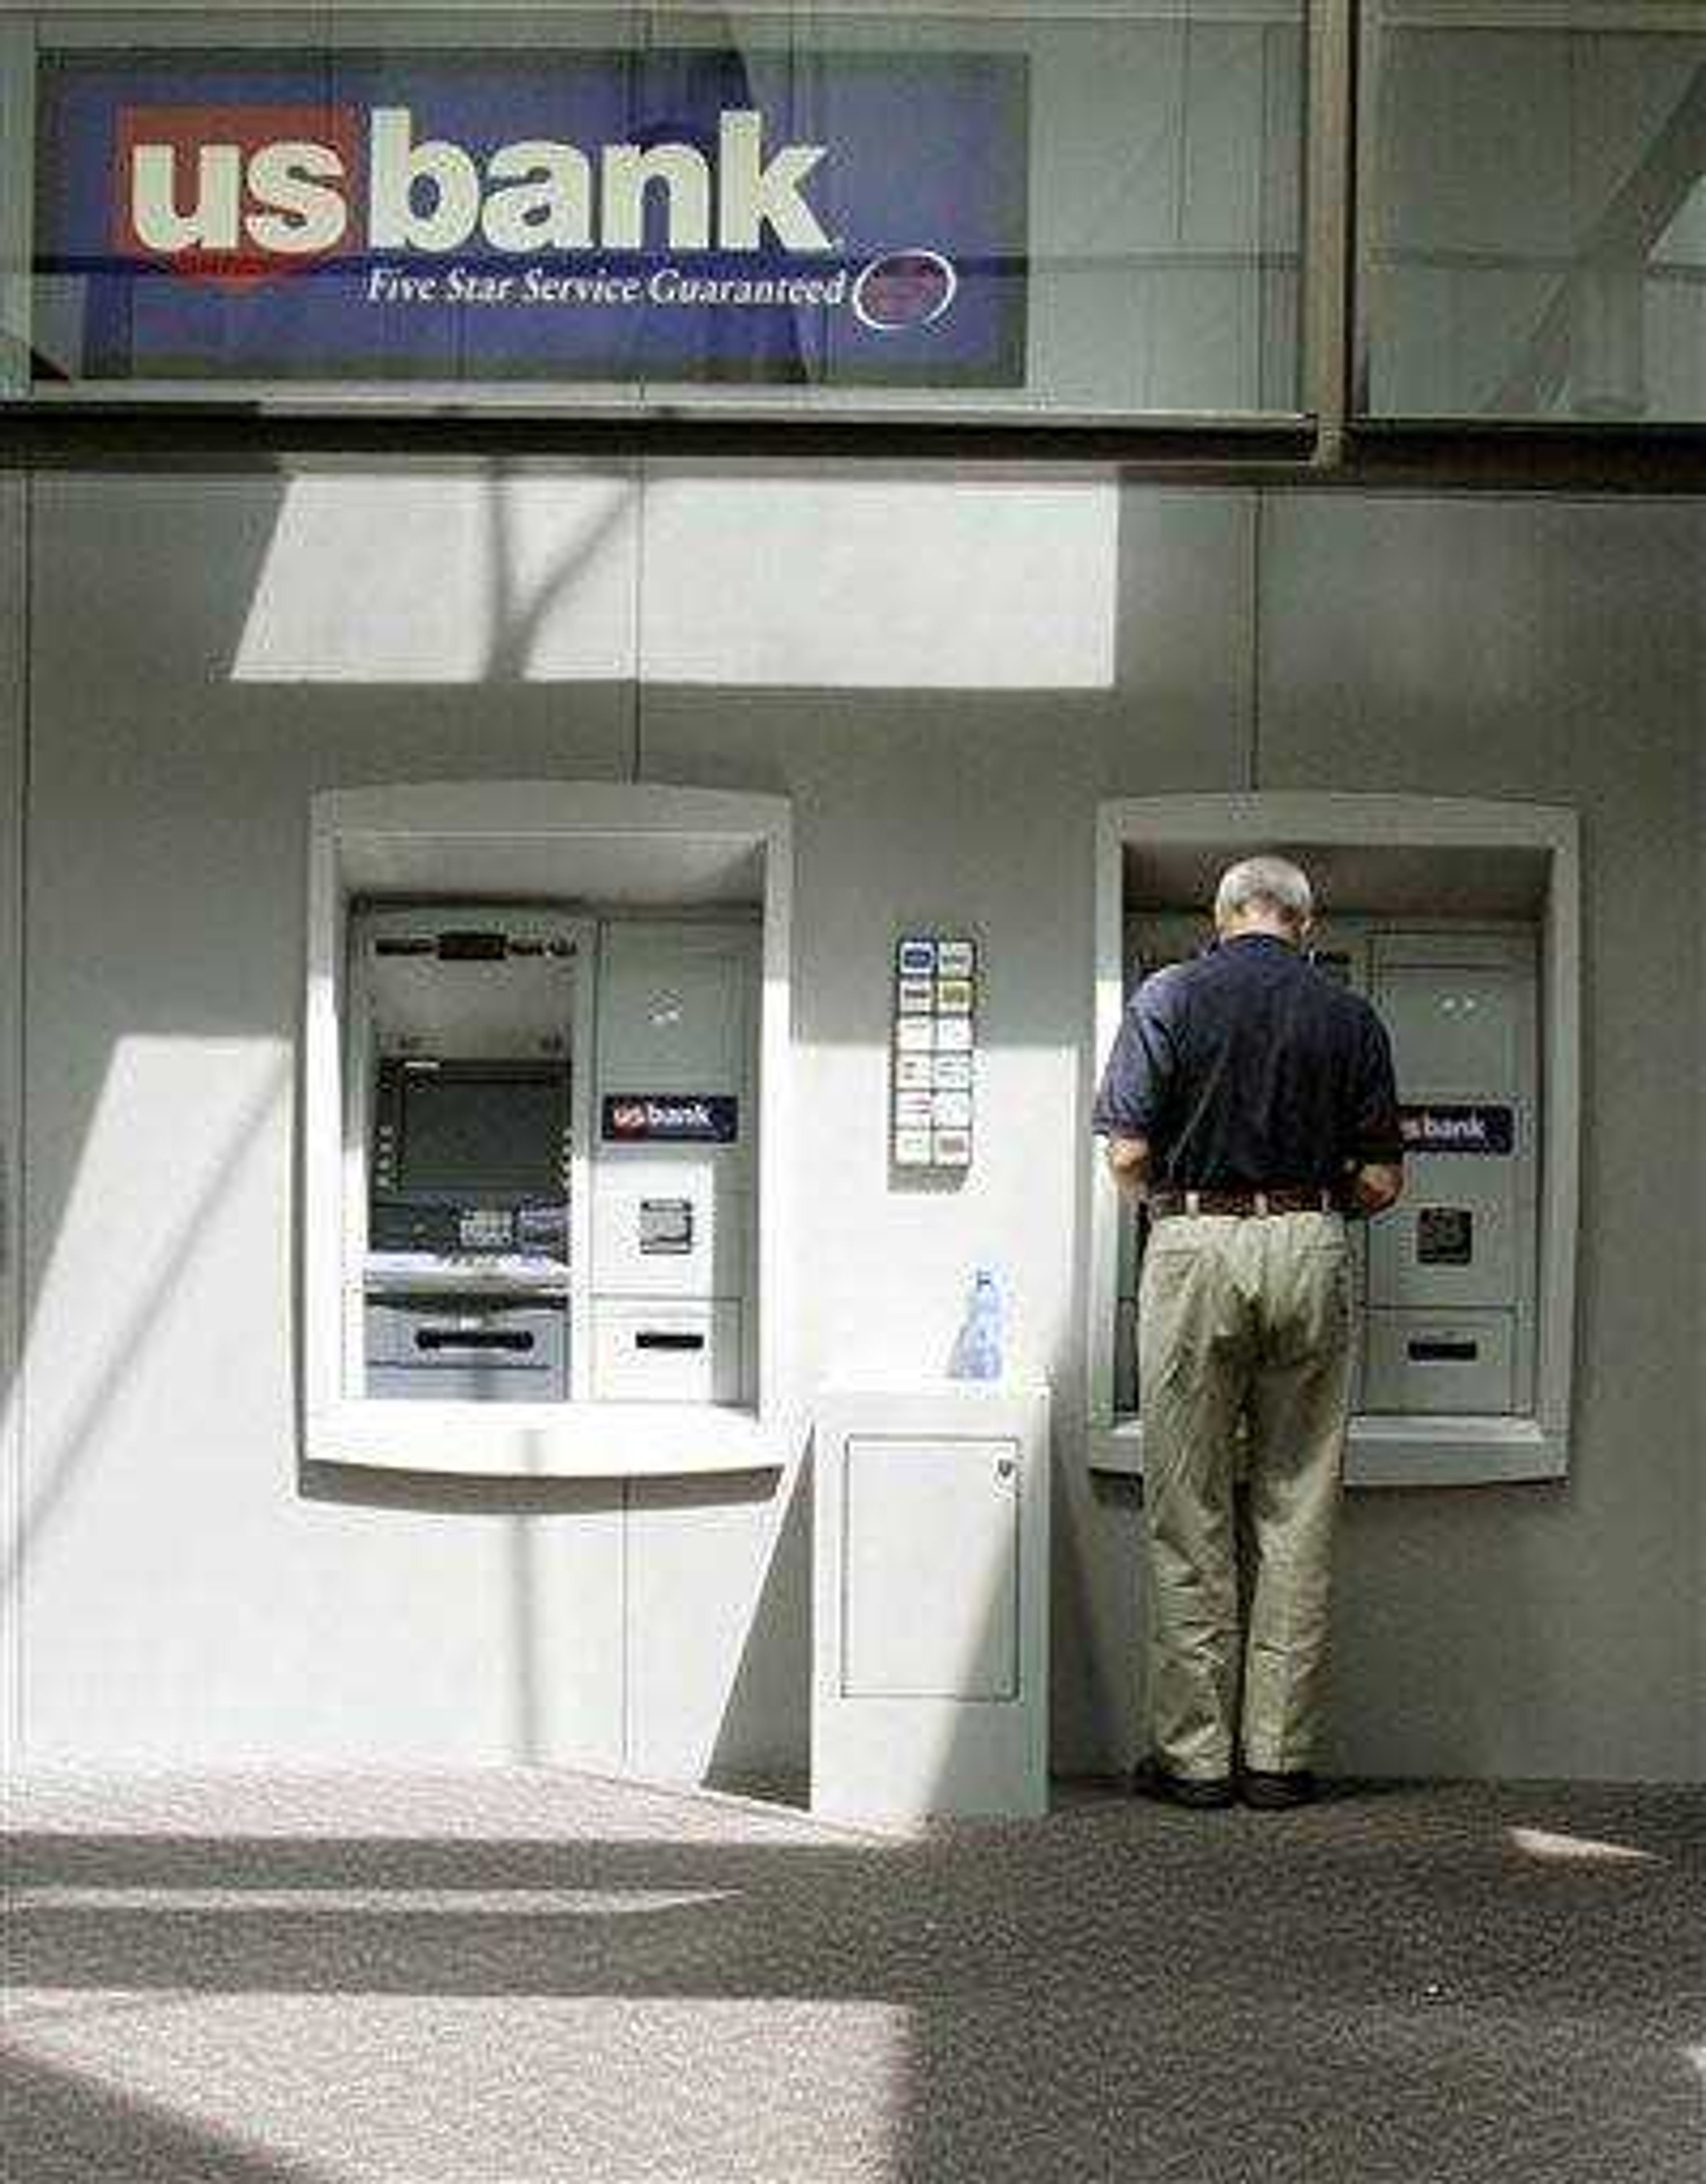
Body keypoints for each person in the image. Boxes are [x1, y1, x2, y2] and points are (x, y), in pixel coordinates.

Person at [1092, 856, 1404, 1810]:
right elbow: (1384, 1183)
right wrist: (1308, 1204)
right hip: (1311, 1242)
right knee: (1297, 1508)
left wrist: (1197, 1206)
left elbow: (1129, 1152)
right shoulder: (1349, 1016)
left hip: (1195, 1240)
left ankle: (1194, 1760)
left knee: (1188, 1511)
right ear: (1307, 926)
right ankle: (1276, 1759)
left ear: (1220, 917)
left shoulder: (1169, 994)